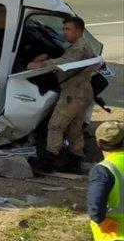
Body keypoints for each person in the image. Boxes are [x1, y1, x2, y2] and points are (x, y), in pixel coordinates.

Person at [28, 16, 99, 173]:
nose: (64, 32)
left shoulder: (79, 48)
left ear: (78, 31)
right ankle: (75, 162)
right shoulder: (78, 46)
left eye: (68, 29)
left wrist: (38, 65)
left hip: (74, 93)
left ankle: (48, 162)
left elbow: (63, 63)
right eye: (64, 29)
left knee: (55, 125)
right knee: (74, 128)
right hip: (81, 92)